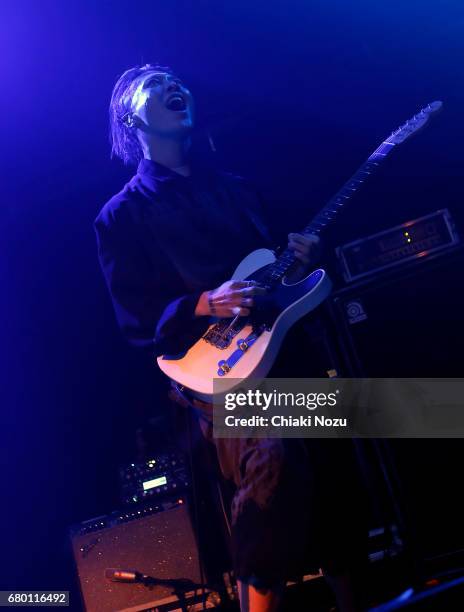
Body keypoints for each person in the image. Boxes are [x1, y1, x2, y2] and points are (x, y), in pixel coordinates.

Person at [95, 64, 365, 612]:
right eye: (157, 85)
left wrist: (301, 262)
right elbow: (135, 321)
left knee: (338, 487)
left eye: (179, 81)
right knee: (275, 468)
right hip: (217, 380)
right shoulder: (121, 216)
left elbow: (277, 280)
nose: (177, 87)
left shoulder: (239, 191)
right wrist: (202, 302)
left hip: (285, 355)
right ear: (131, 117)